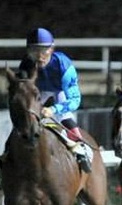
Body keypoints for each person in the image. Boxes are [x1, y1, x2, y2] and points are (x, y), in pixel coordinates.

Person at [17, 28, 93, 173]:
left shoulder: (64, 67)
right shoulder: (26, 65)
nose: (39, 57)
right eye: (34, 51)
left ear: (52, 49)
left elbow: (75, 100)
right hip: (38, 92)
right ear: (28, 52)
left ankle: (81, 149)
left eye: (44, 51)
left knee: (64, 116)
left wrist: (53, 110)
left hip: (60, 92)